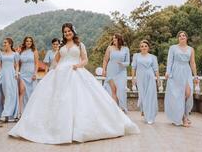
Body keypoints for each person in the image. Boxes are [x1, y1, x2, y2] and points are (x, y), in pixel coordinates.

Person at [8, 23, 139, 144]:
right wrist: (52, 71)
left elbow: (85, 60)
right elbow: (56, 61)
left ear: (73, 32)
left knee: (79, 99)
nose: (67, 33)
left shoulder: (80, 45)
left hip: (76, 71)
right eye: (65, 32)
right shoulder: (62, 47)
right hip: (60, 73)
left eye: (69, 31)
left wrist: (78, 65)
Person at [164, 31, 199, 127]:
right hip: (176, 72)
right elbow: (170, 61)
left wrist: (195, 75)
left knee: (188, 93)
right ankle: (184, 117)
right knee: (179, 95)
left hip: (186, 71)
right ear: (178, 38)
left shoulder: (191, 49)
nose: (181, 37)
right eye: (180, 36)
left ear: (186, 38)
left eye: (183, 35)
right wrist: (168, 71)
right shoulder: (173, 48)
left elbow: (192, 63)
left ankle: (185, 114)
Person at [0, 38, 20, 122]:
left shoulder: (15, 54)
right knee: (4, 93)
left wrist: (17, 73)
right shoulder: (1, 54)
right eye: (3, 43)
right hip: (3, 74)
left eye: (5, 43)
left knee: (11, 93)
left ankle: (7, 114)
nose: (4, 44)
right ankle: (5, 113)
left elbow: (17, 65)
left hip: (11, 74)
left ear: (10, 44)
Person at [131, 40, 159, 124]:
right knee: (143, 96)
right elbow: (133, 67)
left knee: (150, 96)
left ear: (148, 48)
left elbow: (156, 69)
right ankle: (144, 111)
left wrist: (158, 79)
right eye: (142, 46)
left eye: (145, 46)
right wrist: (133, 78)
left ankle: (149, 117)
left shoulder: (153, 57)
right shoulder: (136, 56)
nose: (144, 47)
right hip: (140, 77)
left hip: (150, 77)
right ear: (140, 47)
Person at [102, 33, 130, 112]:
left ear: (119, 39)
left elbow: (128, 62)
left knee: (121, 90)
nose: (113, 39)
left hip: (121, 72)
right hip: (111, 71)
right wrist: (104, 69)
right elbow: (105, 60)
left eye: (115, 38)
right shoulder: (110, 48)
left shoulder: (126, 49)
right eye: (113, 38)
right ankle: (114, 110)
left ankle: (122, 107)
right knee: (112, 90)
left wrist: (122, 64)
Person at [18, 36, 39, 115]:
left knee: (31, 93)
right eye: (27, 41)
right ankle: (20, 112)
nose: (29, 42)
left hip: (31, 74)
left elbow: (36, 63)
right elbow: (18, 63)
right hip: (23, 74)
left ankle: (31, 112)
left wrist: (35, 73)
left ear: (32, 42)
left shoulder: (34, 51)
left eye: (30, 41)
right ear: (25, 42)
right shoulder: (21, 51)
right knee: (22, 91)